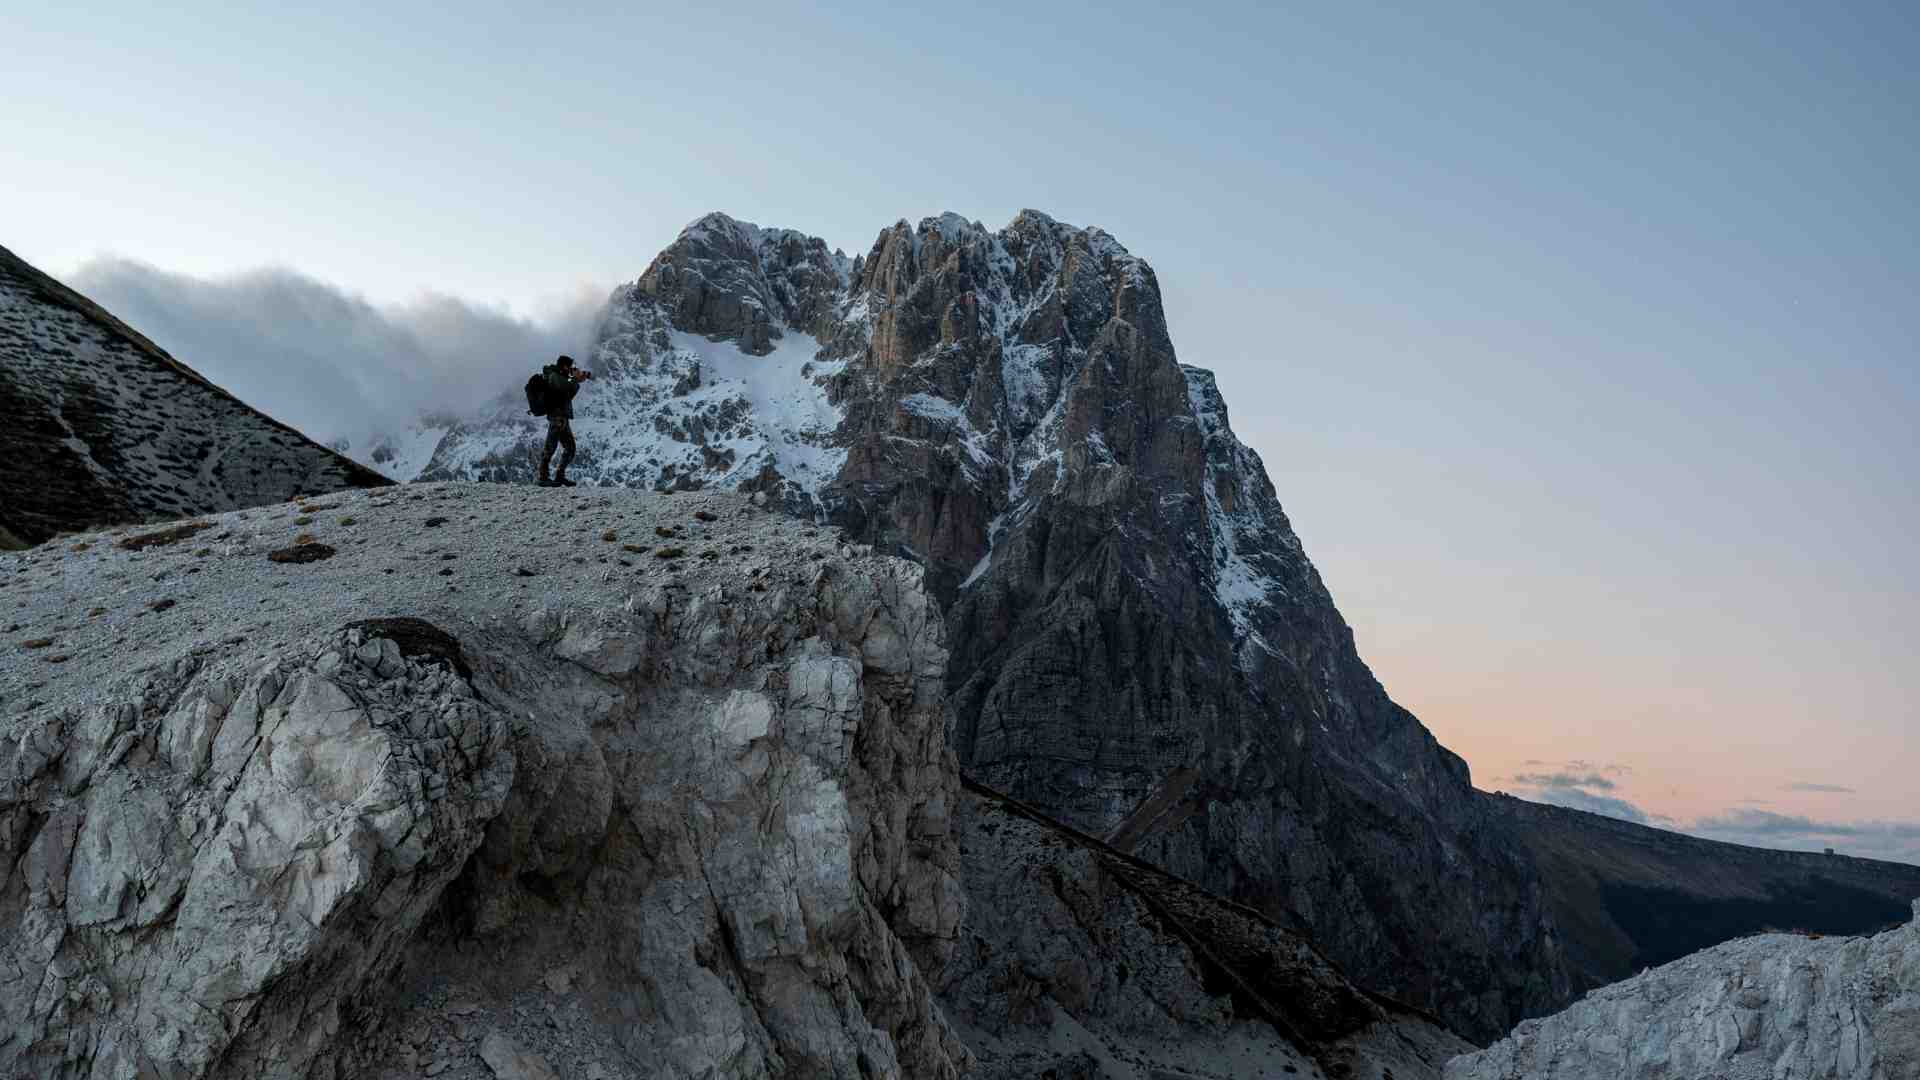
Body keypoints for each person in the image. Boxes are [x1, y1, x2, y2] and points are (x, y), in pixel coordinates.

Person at [538, 354, 592, 487]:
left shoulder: (564, 377)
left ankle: (559, 476)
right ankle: (543, 477)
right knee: (550, 447)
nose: (571, 369)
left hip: (563, 417)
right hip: (556, 416)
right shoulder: (554, 376)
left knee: (570, 448)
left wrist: (576, 380)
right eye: (570, 367)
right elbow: (565, 388)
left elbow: (568, 395)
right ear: (564, 366)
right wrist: (575, 379)